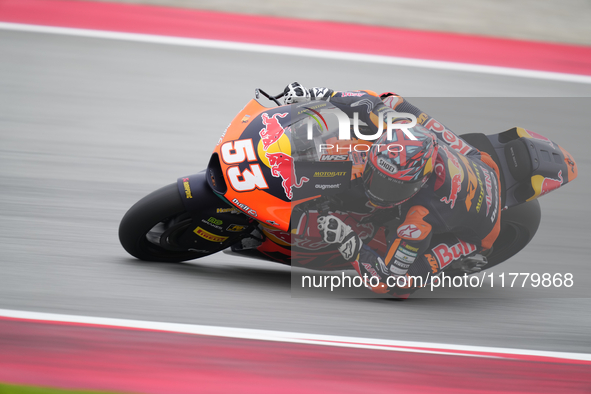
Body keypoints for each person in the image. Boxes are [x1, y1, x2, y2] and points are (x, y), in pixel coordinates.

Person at [283, 82, 502, 297]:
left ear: (419, 182)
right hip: (483, 162)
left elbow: (386, 282)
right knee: (390, 100)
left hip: (480, 233)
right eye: (378, 177)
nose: (379, 192)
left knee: (400, 286)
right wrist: (315, 94)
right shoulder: (399, 126)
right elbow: (366, 100)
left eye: (392, 188)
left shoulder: (418, 219)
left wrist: (345, 239)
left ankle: (462, 255)